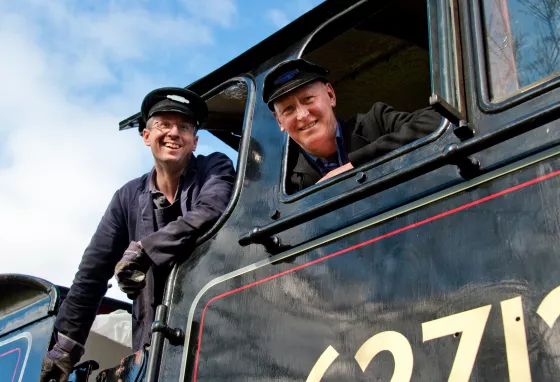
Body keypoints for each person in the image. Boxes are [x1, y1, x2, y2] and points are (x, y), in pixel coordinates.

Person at [40, 87, 236, 382]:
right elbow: (92, 274)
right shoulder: (127, 197)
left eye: (184, 127)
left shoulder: (215, 167)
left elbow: (212, 210)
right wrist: (65, 345)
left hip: (214, 327)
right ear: (146, 136)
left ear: (195, 141)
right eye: (163, 125)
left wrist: (145, 251)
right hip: (153, 345)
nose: (173, 133)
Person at [262, 59, 443, 194]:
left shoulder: (376, 121)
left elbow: (437, 120)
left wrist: (354, 165)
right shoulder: (285, 184)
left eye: (308, 99)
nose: (302, 115)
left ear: (330, 95)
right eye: (288, 109)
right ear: (279, 121)